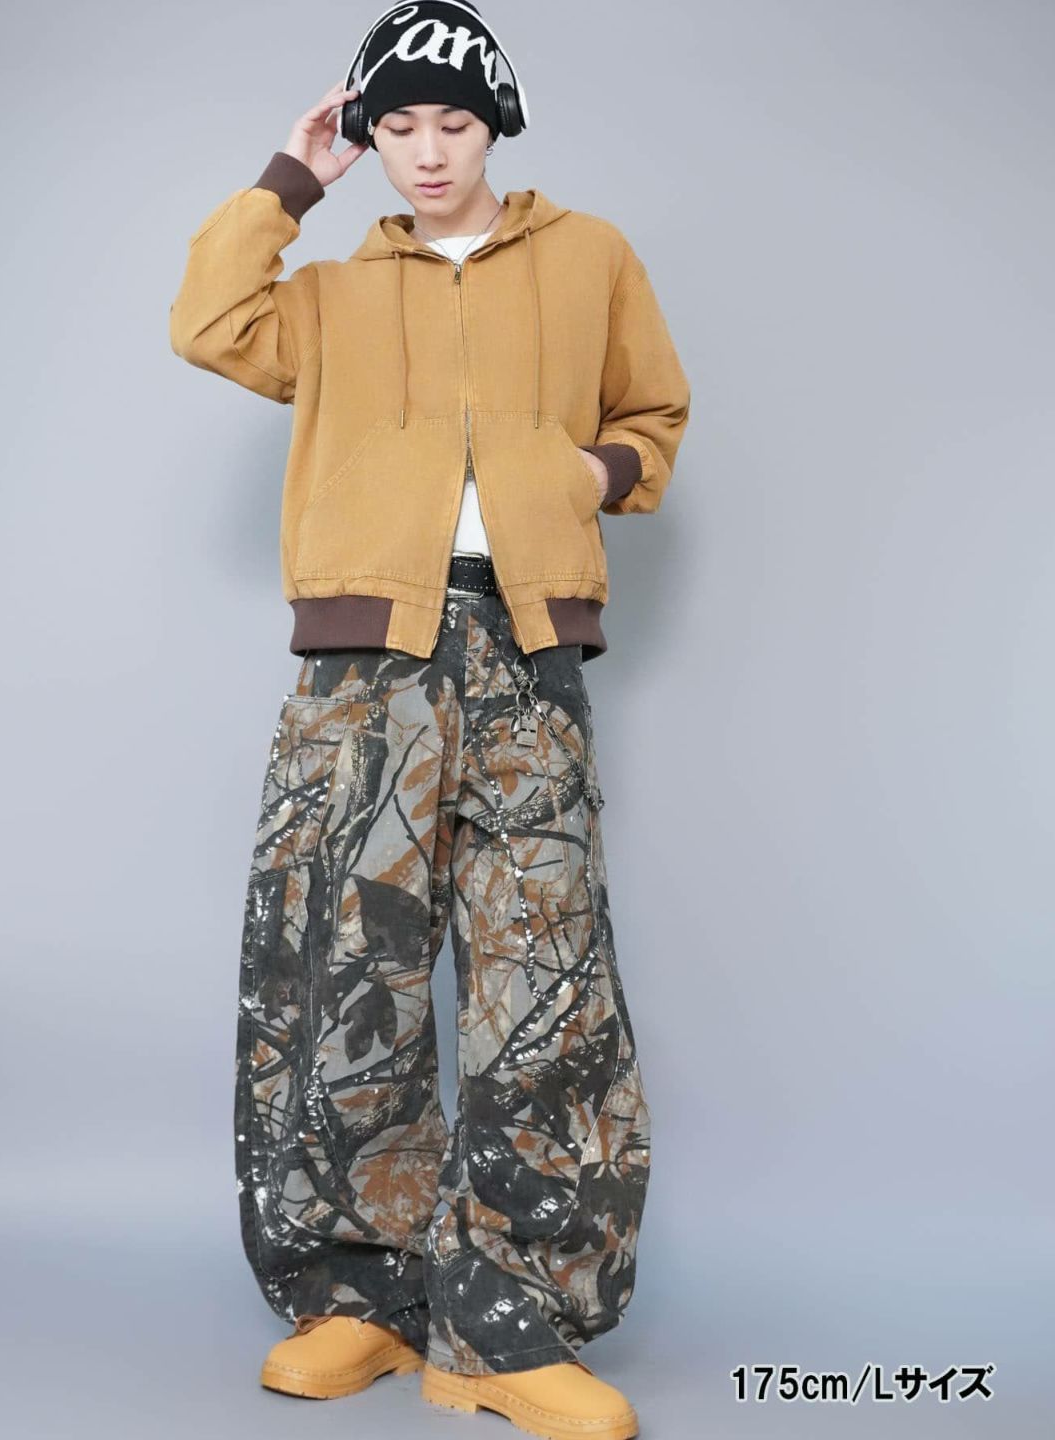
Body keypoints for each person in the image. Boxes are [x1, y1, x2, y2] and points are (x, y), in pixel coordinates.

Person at [168, 4, 691, 1435]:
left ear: (495, 125)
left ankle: (509, 1322)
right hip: (365, 665)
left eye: (453, 121)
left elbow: (653, 415)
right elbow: (205, 322)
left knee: (544, 979)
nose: (428, 151)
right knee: (351, 974)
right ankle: (365, 1296)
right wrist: (293, 176)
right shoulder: (334, 292)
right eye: (396, 126)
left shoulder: (589, 256)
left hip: (525, 649)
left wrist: (588, 475)